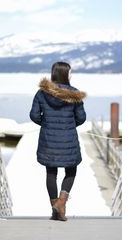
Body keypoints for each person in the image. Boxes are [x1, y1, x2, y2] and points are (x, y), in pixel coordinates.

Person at [29, 61, 86, 221]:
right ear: (65, 74)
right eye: (70, 72)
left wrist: (47, 124)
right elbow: (81, 118)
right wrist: (69, 124)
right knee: (71, 170)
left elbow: (34, 115)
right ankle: (61, 203)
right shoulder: (74, 95)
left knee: (51, 172)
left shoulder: (42, 93)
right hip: (69, 138)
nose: (71, 75)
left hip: (48, 139)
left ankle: (56, 209)